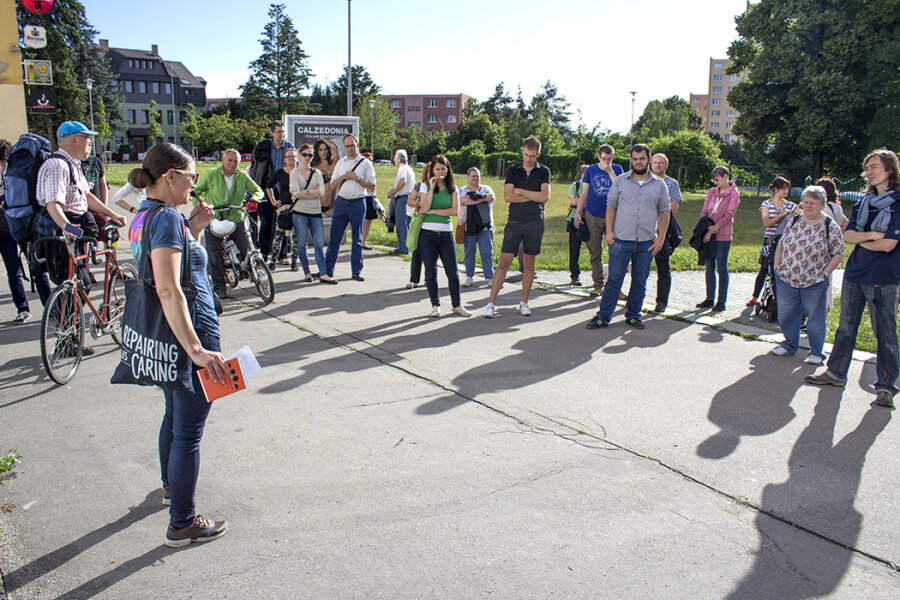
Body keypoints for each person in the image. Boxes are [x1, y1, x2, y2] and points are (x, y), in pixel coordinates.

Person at [126, 142, 230, 547]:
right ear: (169, 176)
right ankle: (182, 522)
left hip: (166, 335)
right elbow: (169, 288)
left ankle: (172, 486)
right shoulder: (167, 217)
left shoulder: (146, 214)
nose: (194, 183)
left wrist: (195, 229)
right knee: (189, 429)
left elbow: (171, 264)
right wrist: (197, 350)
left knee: (173, 415)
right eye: (190, 176)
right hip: (188, 334)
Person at [806, 148, 900, 408]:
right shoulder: (862, 203)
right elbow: (848, 236)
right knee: (846, 326)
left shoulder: (898, 203)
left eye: (874, 167)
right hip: (856, 272)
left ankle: (885, 387)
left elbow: (890, 245)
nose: (868, 172)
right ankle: (836, 373)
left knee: (886, 332)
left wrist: (867, 237)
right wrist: (875, 236)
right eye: (866, 168)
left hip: (884, 277)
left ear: (889, 170)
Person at [37, 121, 126, 314]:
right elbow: (53, 204)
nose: (91, 142)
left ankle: (71, 333)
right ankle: (68, 337)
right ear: (74, 140)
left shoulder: (72, 163)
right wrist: (68, 228)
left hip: (73, 230)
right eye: (87, 138)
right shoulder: (58, 165)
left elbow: (86, 196)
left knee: (78, 285)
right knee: (75, 286)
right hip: (62, 233)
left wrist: (111, 214)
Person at [585, 144, 670, 330]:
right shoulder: (621, 181)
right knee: (614, 279)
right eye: (635, 159)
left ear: (648, 159)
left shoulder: (659, 185)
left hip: (646, 242)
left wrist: (660, 238)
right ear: (631, 160)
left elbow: (665, 211)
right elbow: (611, 206)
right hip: (621, 239)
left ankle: (633, 315)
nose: (638, 162)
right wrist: (609, 231)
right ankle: (603, 316)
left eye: (642, 158)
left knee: (639, 280)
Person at [770, 186, 844, 363]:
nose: (808, 206)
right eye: (806, 202)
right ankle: (789, 344)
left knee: (816, 319)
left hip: (814, 281)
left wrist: (825, 273)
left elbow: (839, 252)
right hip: (787, 278)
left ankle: (816, 352)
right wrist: (777, 266)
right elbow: (781, 244)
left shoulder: (829, 225)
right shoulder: (795, 220)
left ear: (822, 205)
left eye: (813, 203)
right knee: (787, 314)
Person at [483, 137, 550, 318]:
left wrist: (520, 191)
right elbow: (507, 196)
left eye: (532, 156)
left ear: (538, 154)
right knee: (504, 262)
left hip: (535, 222)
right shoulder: (513, 169)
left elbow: (544, 197)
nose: (528, 159)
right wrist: (532, 195)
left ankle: (524, 302)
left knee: (529, 263)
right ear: (522, 152)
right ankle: (490, 303)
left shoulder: (544, 171)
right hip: (515, 221)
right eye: (526, 155)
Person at [193, 149, 264, 299]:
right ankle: (219, 286)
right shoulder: (211, 174)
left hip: (234, 217)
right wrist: (200, 205)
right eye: (229, 160)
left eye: (236, 161)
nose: (232, 164)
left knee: (245, 247)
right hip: (214, 218)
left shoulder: (242, 176)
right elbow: (196, 192)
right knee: (214, 254)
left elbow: (257, 190)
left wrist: (254, 200)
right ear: (222, 161)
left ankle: (245, 270)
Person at [416, 155, 470, 318]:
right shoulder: (425, 187)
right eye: (437, 168)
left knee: (452, 272)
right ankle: (435, 305)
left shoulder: (453, 188)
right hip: (427, 234)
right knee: (431, 272)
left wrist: (434, 211)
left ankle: (457, 305)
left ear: (448, 170)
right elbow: (424, 208)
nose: (440, 172)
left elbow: (455, 211)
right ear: (432, 170)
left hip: (445, 234)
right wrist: (432, 188)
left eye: (443, 168)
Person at [573, 144, 624, 296]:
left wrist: (609, 171)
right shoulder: (591, 170)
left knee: (615, 252)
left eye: (609, 159)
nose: (606, 161)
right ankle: (598, 285)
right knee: (595, 251)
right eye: (604, 159)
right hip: (593, 214)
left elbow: (621, 187)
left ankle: (615, 287)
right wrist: (577, 214)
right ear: (598, 157)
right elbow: (585, 193)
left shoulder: (618, 169)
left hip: (613, 215)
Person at [324, 135, 376, 282]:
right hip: (341, 202)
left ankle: (356, 271)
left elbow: (372, 185)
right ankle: (328, 270)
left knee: (357, 239)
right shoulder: (341, 163)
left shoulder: (365, 163)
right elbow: (333, 185)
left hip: (358, 202)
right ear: (344, 147)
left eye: (352, 145)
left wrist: (357, 179)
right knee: (335, 238)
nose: (350, 148)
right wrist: (344, 177)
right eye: (347, 146)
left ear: (357, 145)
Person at [747, 177, 798, 307]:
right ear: (776, 189)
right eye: (783, 188)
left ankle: (780, 298)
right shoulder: (766, 204)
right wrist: (781, 215)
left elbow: (801, 213)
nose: (786, 191)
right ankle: (754, 297)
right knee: (764, 268)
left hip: (784, 241)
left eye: (787, 188)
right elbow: (766, 223)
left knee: (780, 269)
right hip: (770, 240)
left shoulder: (789, 205)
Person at [696, 166, 740, 313]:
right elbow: (704, 211)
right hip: (709, 232)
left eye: (718, 179)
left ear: (726, 176)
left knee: (721, 267)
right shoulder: (712, 192)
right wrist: (708, 228)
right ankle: (709, 298)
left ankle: (721, 301)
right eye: (713, 180)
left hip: (723, 235)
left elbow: (729, 213)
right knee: (709, 266)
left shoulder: (734, 194)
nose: (716, 182)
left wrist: (716, 227)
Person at [249, 120, 294, 263]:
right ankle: (264, 252)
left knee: (284, 222)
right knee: (266, 221)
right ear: (272, 132)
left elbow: (295, 166)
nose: (281, 134)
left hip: (284, 189)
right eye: (279, 131)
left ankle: (282, 254)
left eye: (283, 131)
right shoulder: (263, 147)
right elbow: (256, 168)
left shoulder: (289, 147)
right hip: (266, 187)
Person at [0, 139, 32, 323]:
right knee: (14, 270)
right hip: (11, 227)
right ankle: (23, 307)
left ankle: (36, 307)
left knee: (33, 267)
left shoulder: (13, 174)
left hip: (16, 225)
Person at [289, 144, 330, 283]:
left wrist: (304, 192)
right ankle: (307, 272)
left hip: (315, 212)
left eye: (310, 155)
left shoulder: (317, 173)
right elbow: (295, 193)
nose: (307, 158)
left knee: (319, 243)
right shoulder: (294, 173)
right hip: (299, 212)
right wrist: (313, 193)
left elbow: (322, 192)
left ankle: (323, 273)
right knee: (302, 243)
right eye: (305, 154)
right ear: (300, 155)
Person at [649, 153, 683, 312]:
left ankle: (661, 302)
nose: (657, 165)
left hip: (662, 230)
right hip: (644, 230)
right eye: (655, 163)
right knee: (640, 268)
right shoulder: (644, 181)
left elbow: (673, 208)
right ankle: (636, 299)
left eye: (661, 163)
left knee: (663, 268)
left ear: (666, 165)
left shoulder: (672, 184)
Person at [459, 167, 495, 287]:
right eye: (473, 176)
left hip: (485, 227)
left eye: (477, 176)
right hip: (468, 226)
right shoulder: (462, 190)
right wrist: (480, 198)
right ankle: (469, 276)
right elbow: (462, 201)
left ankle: (490, 277)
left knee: (486, 252)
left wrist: (475, 198)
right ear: (468, 177)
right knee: (469, 252)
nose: (475, 178)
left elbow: (491, 197)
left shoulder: (486, 188)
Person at [266, 147, 299, 271]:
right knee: (278, 235)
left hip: (298, 207)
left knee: (295, 237)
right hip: (284, 208)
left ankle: (294, 262)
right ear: (285, 159)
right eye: (288, 156)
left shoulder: (300, 171)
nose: (291, 159)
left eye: (293, 156)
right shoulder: (280, 172)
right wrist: (273, 201)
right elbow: (269, 186)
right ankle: (273, 261)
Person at [404, 161, 430, 289]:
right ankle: (414, 279)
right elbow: (410, 201)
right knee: (417, 249)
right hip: (420, 221)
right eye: (430, 171)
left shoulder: (442, 187)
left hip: (434, 222)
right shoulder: (420, 185)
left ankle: (429, 279)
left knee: (431, 252)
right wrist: (421, 203)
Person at [388, 149, 416, 255]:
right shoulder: (409, 169)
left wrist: (393, 192)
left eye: (395, 157)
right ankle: (408, 246)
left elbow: (402, 181)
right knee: (407, 224)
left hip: (402, 199)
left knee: (401, 224)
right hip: (409, 198)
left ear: (399, 159)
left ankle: (403, 248)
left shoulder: (402, 169)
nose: (394, 159)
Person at [567, 165, 587, 286]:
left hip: (591, 219)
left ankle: (598, 277)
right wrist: (586, 201)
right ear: (580, 174)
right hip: (575, 219)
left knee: (595, 250)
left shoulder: (594, 186)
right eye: (584, 173)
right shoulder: (576, 185)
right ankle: (575, 275)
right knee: (574, 249)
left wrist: (582, 200)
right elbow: (573, 201)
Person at [360, 151, 379, 250]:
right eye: (368, 158)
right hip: (363, 196)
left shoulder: (372, 169)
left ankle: (364, 241)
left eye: (371, 159)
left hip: (370, 197)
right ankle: (360, 241)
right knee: (361, 220)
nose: (370, 161)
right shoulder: (361, 168)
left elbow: (374, 184)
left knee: (368, 220)